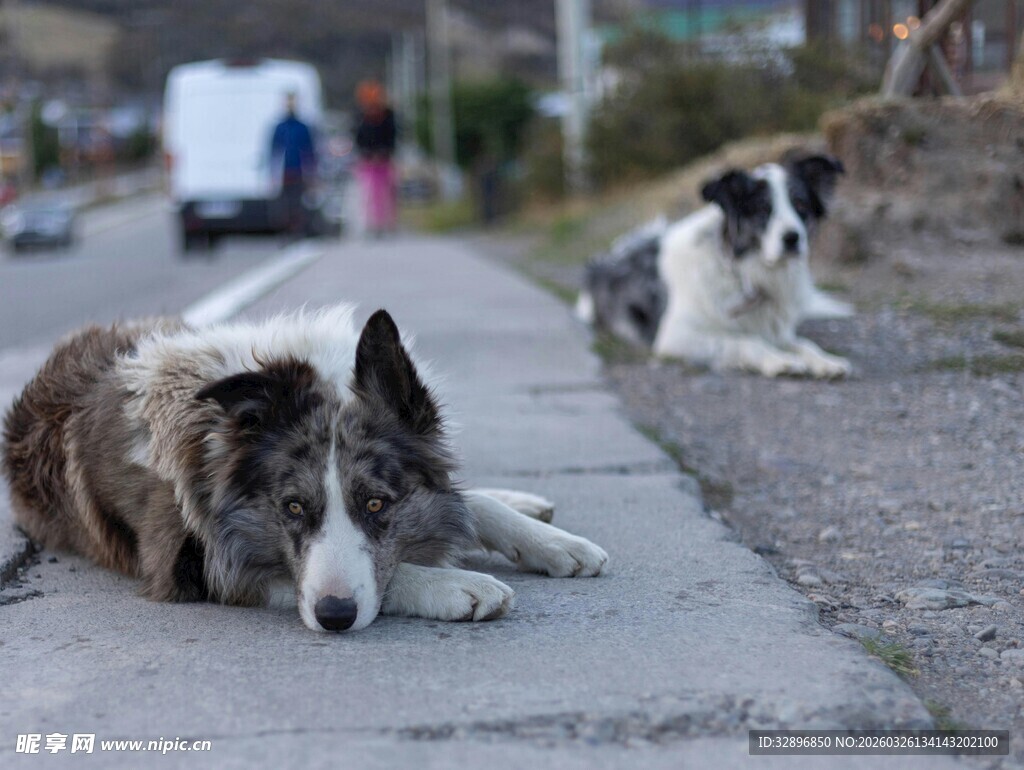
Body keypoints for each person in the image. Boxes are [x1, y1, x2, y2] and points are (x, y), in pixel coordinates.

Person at [353, 80, 398, 236]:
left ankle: (387, 223)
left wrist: (384, 151)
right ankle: (371, 224)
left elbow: (392, 137)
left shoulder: (387, 116)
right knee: (368, 194)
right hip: (367, 161)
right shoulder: (361, 118)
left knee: (387, 193)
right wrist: (367, 153)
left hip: (384, 160)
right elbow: (358, 138)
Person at [270, 92, 317, 237]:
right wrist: (273, 174)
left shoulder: (302, 127)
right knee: (284, 205)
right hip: (284, 173)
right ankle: (286, 231)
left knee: (298, 203)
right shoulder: (280, 128)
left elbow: (309, 151)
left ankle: (298, 230)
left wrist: (312, 174)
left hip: (299, 172)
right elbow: (274, 151)